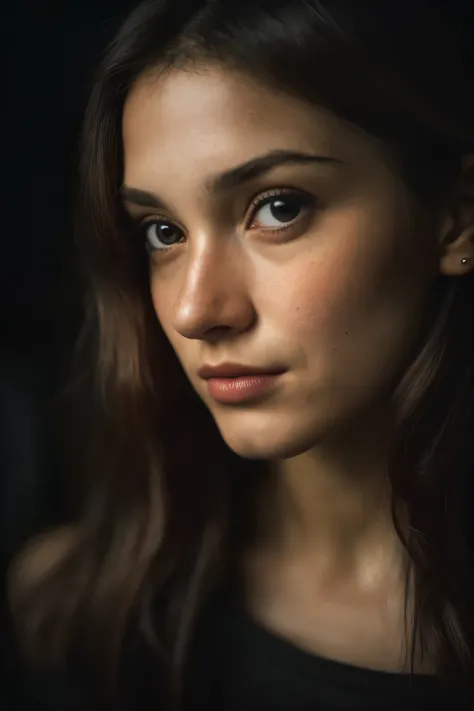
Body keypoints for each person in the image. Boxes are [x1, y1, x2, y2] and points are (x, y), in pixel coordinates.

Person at [7, 1, 474, 708]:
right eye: (163, 231)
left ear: (457, 217)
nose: (197, 310)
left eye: (278, 207)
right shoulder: (77, 607)